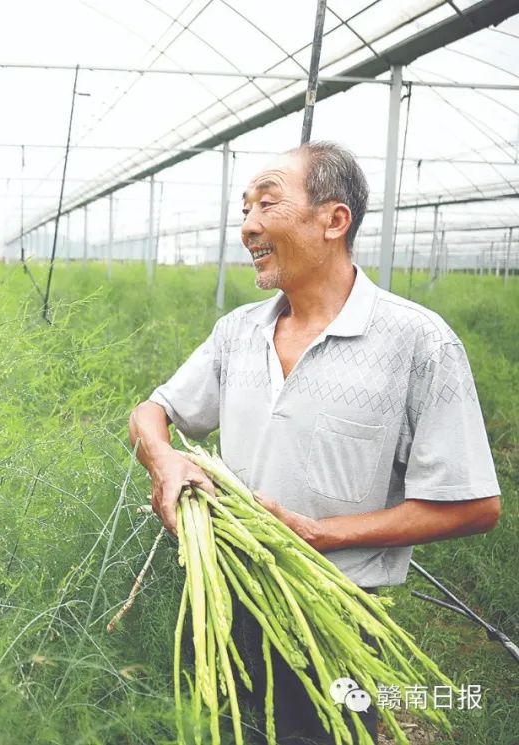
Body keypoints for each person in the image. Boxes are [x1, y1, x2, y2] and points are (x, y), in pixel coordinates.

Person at [128, 141, 501, 744]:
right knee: (216, 729)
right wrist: (165, 460)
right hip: (220, 596)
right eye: (243, 209)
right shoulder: (238, 332)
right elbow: (153, 410)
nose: (248, 226)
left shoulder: (418, 344)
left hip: (331, 615)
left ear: (334, 220)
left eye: (267, 203)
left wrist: (322, 534)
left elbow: (475, 506)